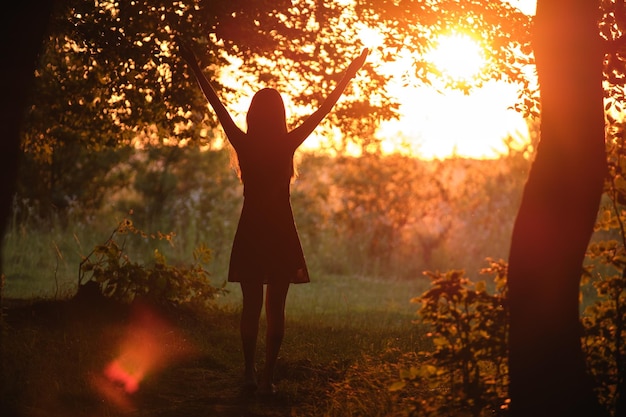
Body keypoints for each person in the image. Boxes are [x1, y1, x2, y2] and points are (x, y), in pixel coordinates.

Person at [177, 37, 368, 395]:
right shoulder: (287, 143)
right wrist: (351, 72)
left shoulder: (244, 144)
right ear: (280, 116)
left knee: (251, 307)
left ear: (252, 115)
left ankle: (249, 373)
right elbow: (324, 109)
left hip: (251, 232)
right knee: (275, 309)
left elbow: (216, 104)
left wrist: (194, 64)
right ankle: (267, 378)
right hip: (281, 233)